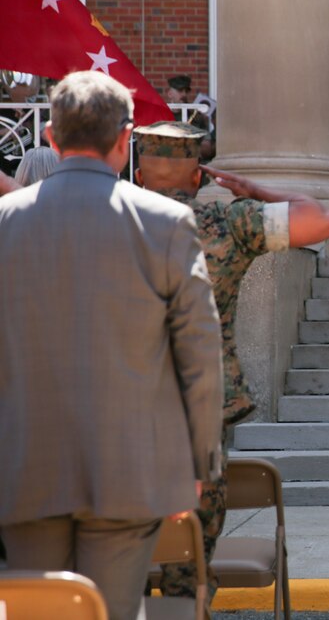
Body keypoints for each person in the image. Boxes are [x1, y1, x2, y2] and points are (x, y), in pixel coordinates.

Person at [0, 71, 223, 620]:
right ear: (126, 139)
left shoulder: (4, 223)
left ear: (50, 136)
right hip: (130, 468)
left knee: (39, 613)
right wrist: (198, 463)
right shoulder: (167, 222)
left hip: (23, 465)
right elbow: (199, 353)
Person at [133, 120, 329, 603]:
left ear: (140, 173)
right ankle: (191, 603)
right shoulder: (229, 223)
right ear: (197, 176)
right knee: (193, 547)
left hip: (116, 404)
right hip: (202, 403)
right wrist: (254, 189)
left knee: (122, 539)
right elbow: (323, 219)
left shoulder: (103, 225)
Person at [166, 75, 215, 162]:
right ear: (170, 93)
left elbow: (207, 148)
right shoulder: (161, 117)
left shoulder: (196, 118)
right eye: (180, 91)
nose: (184, 94)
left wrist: (189, 148)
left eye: (186, 91)